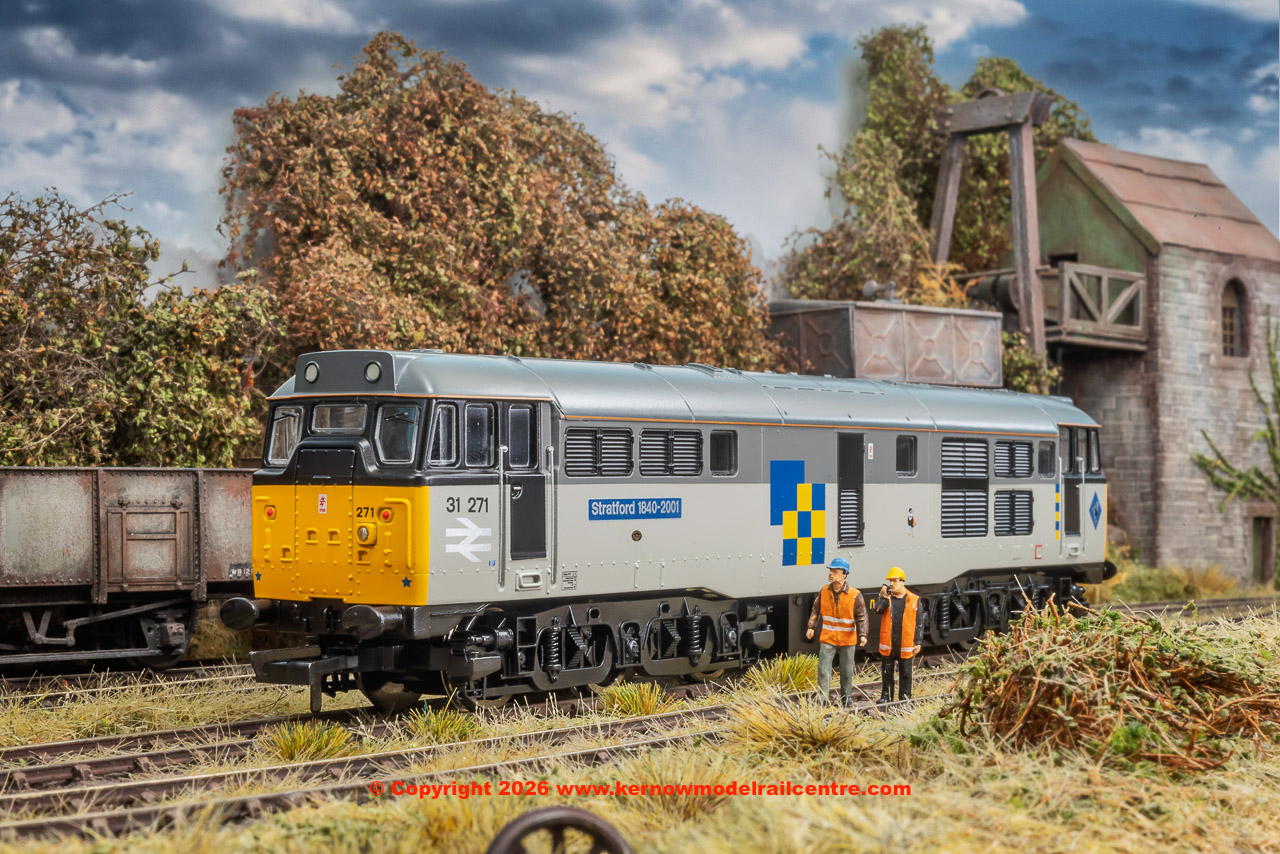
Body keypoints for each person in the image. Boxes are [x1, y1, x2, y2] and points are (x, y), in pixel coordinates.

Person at [805, 557, 868, 707]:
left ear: (844, 574)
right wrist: (811, 627)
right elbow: (815, 611)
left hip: (847, 639)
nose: (831, 574)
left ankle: (846, 697)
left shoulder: (855, 595)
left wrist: (863, 634)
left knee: (846, 671)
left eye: (835, 571)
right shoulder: (824, 591)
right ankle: (822, 698)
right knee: (823, 669)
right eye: (830, 570)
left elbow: (862, 616)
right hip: (828, 637)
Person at [876, 567, 922, 704]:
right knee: (887, 672)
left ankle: (905, 697)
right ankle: (886, 696)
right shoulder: (886, 598)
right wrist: (884, 598)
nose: (891, 584)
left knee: (906, 673)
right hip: (888, 644)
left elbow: (919, 623)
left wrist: (918, 642)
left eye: (895, 581)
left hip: (905, 644)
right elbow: (877, 610)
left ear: (902, 582)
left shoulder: (914, 599)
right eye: (890, 581)